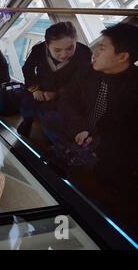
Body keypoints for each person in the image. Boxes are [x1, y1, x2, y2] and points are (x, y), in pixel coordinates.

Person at [46, 23, 138, 237]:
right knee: (50, 118)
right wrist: (79, 128)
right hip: (82, 128)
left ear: (122, 56)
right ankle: (74, 153)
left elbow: (127, 135)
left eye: (103, 48)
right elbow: (67, 99)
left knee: (110, 180)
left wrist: (96, 137)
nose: (94, 52)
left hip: (109, 144)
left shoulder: (133, 88)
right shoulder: (89, 69)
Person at [17, 22, 92, 137]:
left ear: (76, 40)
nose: (63, 55)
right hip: (40, 87)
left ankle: (55, 141)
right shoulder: (38, 50)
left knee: (53, 119)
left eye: (70, 48)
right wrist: (35, 89)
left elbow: (80, 82)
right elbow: (28, 70)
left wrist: (57, 94)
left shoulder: (84, 54)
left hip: (66, 94)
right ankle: (27, 121)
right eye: (57, 50)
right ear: (47, 45)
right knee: (26, 104)